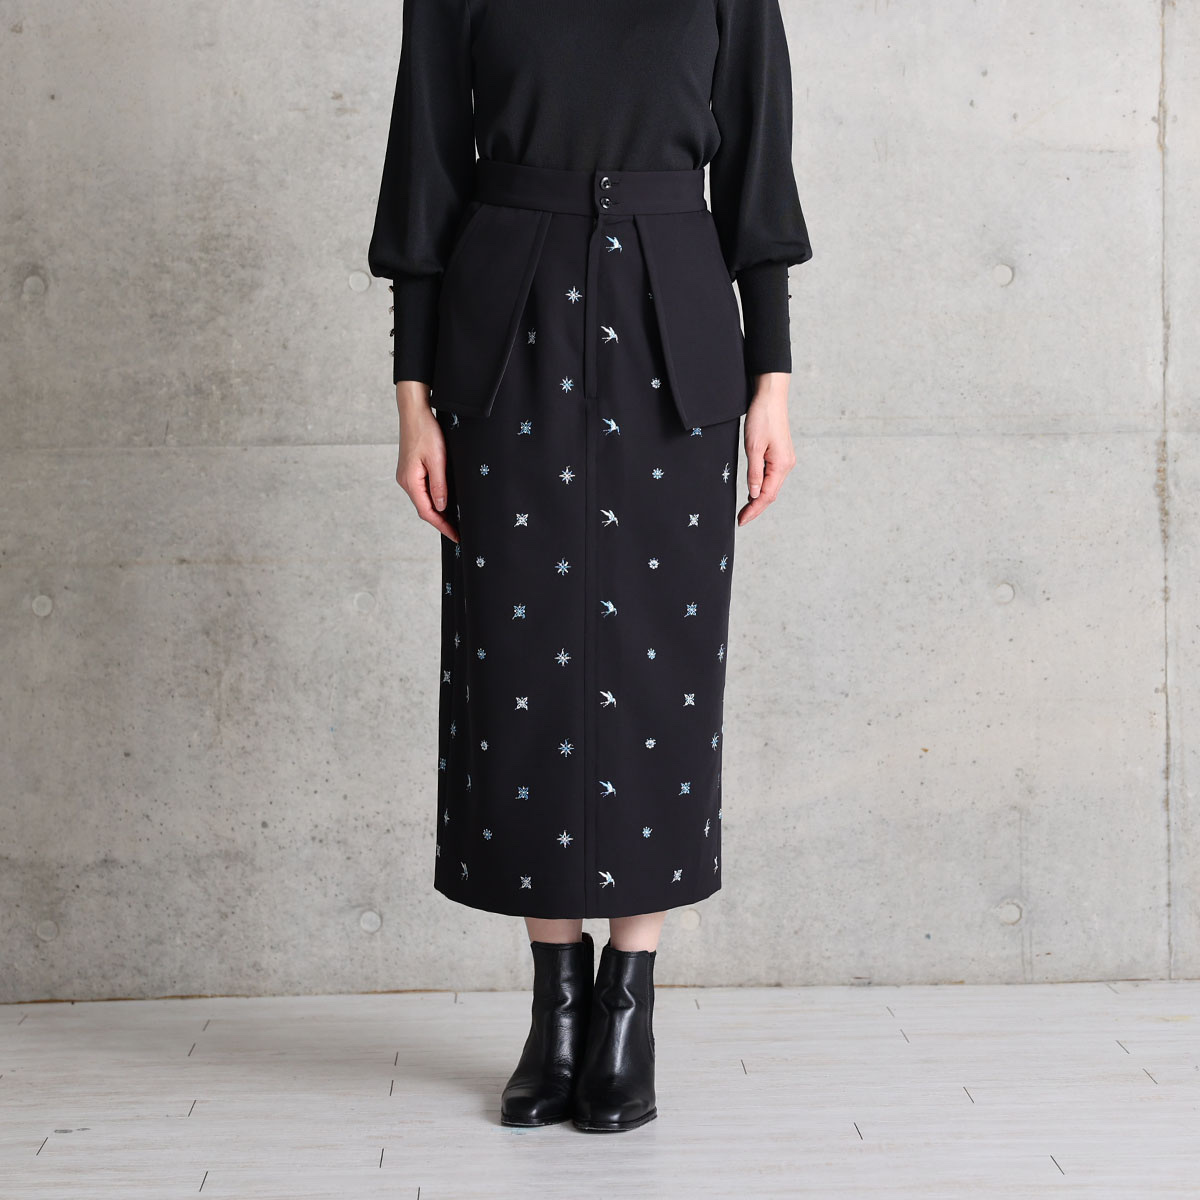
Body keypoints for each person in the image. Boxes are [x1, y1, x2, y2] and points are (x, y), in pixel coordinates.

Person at [367, 0, 813, 1133]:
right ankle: (554, 1009)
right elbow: (425, 174)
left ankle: (627, 1006)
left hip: (675, 341)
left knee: (660, 673)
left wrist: (773, 382)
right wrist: (412, 400)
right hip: (504, 340)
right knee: (523, 671)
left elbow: (758, 177)